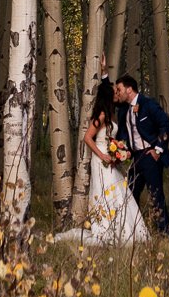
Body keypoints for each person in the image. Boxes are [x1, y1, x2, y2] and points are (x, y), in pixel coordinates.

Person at [51, 76, 150, 246]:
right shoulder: (102, 114)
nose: (117, 93)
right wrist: (102, 155)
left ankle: (124, 229)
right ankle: (107, 227)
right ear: (107, 95)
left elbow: (112, 139)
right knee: (106, 191)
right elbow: (88, 138)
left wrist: (118, 152)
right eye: (114, 92)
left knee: (118, 191)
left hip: (110, 159)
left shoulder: (112, 114)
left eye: (118, 91)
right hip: (100, 159)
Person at [105, 56, 169, 235]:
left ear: (129, 89)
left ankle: (164, 233)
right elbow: (107, 95)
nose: (117, 93)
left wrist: (158, 149)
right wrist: (104, 74)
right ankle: (133, 232)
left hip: (150, 157)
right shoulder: (123, 109)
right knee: (130, 193)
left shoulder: (148, 104)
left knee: (155, 194)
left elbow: (165, 124)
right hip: (136, 158)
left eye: (119, 89)